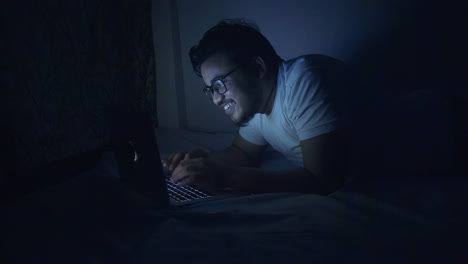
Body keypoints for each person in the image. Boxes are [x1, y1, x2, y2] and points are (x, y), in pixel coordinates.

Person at [162, 19, 351, 194]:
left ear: (257, 68)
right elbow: (243, 153)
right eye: (211, 89)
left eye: (220, 84)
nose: (216, 100)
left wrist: (225, 176)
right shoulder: (257, 104)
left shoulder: (303, 80)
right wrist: (203, 162)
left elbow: (325, 181)